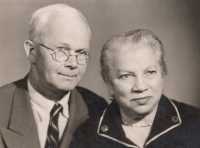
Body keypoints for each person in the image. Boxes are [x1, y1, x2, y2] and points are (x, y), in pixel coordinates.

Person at [0, 4, 107, 148]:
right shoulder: (3, 106)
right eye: (61, 50)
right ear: (32, 51)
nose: (73, 63)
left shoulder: (97, 109)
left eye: (81, 52)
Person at [70, 29, 200, 148]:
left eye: (150, 72)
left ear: (162, 75)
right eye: (126, 76)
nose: (141, 87)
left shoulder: (195, 123)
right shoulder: (87, 137)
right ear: (109, 84)